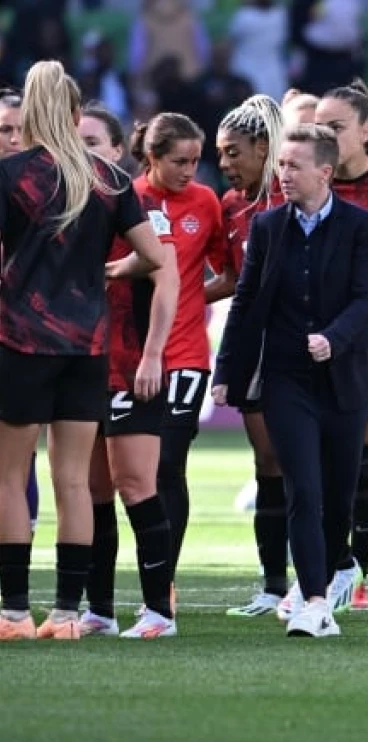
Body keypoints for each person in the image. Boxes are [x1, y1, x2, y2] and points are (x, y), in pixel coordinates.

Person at [0, 60, 165, 641]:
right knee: (74, 481)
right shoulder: (111, 178)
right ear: (73, 112)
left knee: (8, 477)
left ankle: (14, 611)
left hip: (19, 341)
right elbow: (155, 257)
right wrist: (112, 269)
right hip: (87, 345)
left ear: (31, 111)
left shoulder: (10, 173)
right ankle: (68, 613)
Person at [212, 124, 368, 637]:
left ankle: (328, 584)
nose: (283, 174)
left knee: (337, 499)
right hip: (286, 379)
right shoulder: (266, 228)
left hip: (346, 379)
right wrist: (228, 372)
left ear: (325, 173)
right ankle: (311, 601)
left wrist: (334, 337)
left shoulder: (360, 225)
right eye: (281, 164)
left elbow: (365, 299)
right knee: (302, 488)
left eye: (294, 166)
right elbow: (244, 303)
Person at [76, 104, 181, 639]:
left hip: (128, 362)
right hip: (77, 364)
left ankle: (159, 611)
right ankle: (99, 610)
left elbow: (168, 280)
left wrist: (153, 354)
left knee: (136, 484)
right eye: (78, 142)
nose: (86, 150)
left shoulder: (140, 206)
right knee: (91, 492)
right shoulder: (63, 205)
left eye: (95, 141)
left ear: (118, 150)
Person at [130, 112, 225, 593]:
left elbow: (227, 272)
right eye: (179, 161)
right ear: (152, 156)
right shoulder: (127, 199)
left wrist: (190, 297)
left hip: (186, 353)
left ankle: (163, 581)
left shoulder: (206, 202)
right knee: (131, 474)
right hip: (128, 355)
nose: (190, 171)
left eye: (195, 160)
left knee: (169, 465)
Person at [209, 95, 289, 618]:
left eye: (233, 152)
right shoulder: (231, 207)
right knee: (269, 464)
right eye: (219, 154)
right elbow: (234, 282)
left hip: (310, 346)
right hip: (257, 350)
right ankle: (275, 585)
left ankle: (333, 573)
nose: (224, 164)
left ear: (264, 148)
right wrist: (173, 301)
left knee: (315, 464)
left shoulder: (297, 193)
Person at [0, 87, 41, 536]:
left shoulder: (43, 195)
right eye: (3, 129)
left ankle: (17, 567)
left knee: (18, 453)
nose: (12, 139)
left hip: (19, 336)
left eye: (19, 129)